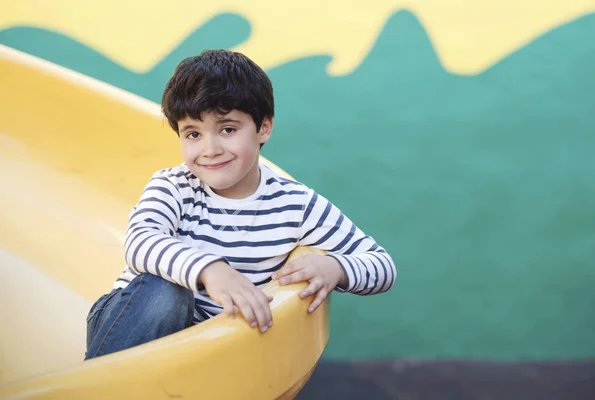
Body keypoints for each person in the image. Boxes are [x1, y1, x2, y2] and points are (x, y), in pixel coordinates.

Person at [84, 50, 396, 360]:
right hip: (128, 328)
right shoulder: (174, 186)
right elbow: (139, 242)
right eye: (193, 133)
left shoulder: (294, 205)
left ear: (263, 128)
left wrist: (335, 268)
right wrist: (211, 270)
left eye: (228, 129)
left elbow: (381, 265)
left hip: (214, 352)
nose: (210, 149)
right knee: (167, 292)